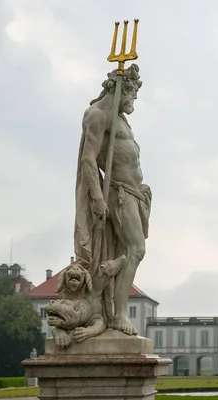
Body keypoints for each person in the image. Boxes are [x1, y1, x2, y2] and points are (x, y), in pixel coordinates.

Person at [74, 63, 151, 336]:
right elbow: (87, 159)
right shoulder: (97, 115)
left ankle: (113, 311)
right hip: (118, 194)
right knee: (135, 250)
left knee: (123, 254)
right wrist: (96, 198)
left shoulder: (119, 118)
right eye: (133, 94)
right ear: (122, 88)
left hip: (134, 194)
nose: (134, 101)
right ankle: (118, 315)